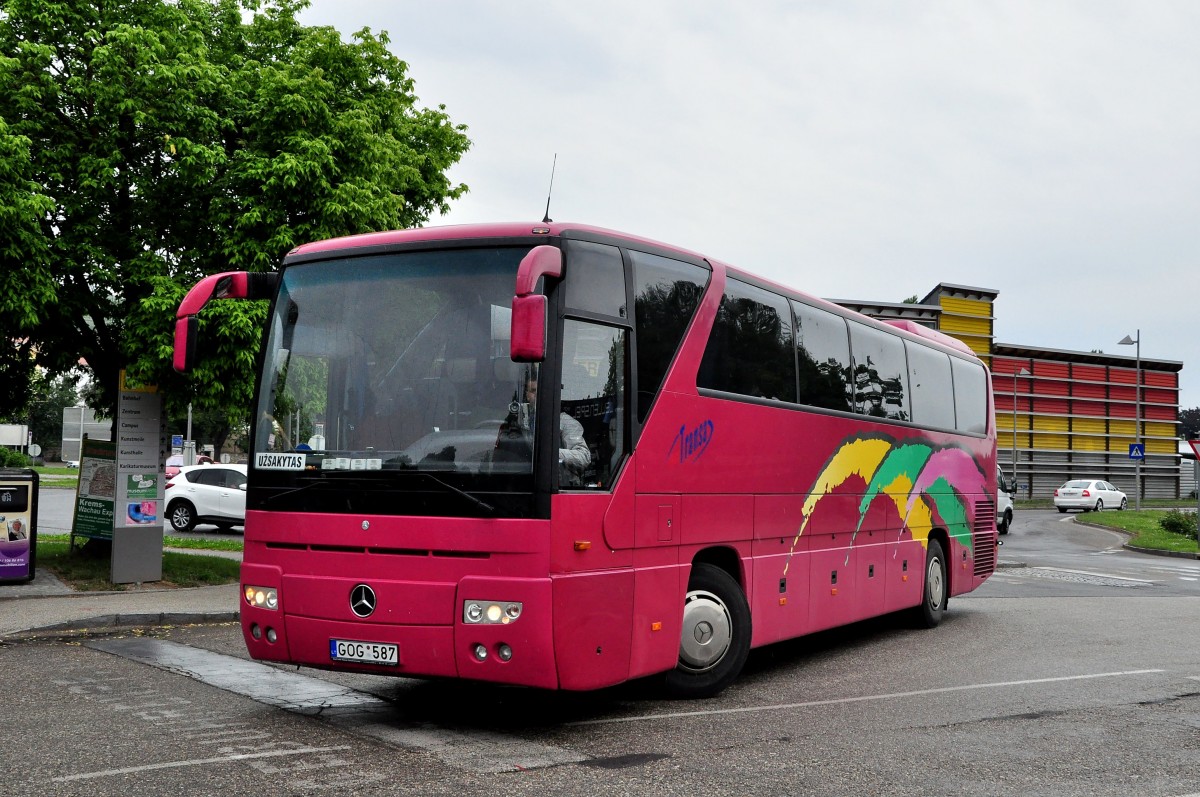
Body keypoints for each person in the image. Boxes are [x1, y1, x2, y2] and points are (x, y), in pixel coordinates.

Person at [498, 375, 591, 480]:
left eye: (541, 390)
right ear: (527, 395)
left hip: (556, 485)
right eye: (533, 390)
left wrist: (549, 453)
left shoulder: (565, 421)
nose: (537, 394)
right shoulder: (516, 420)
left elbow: (584, 457)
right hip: (519, 481)